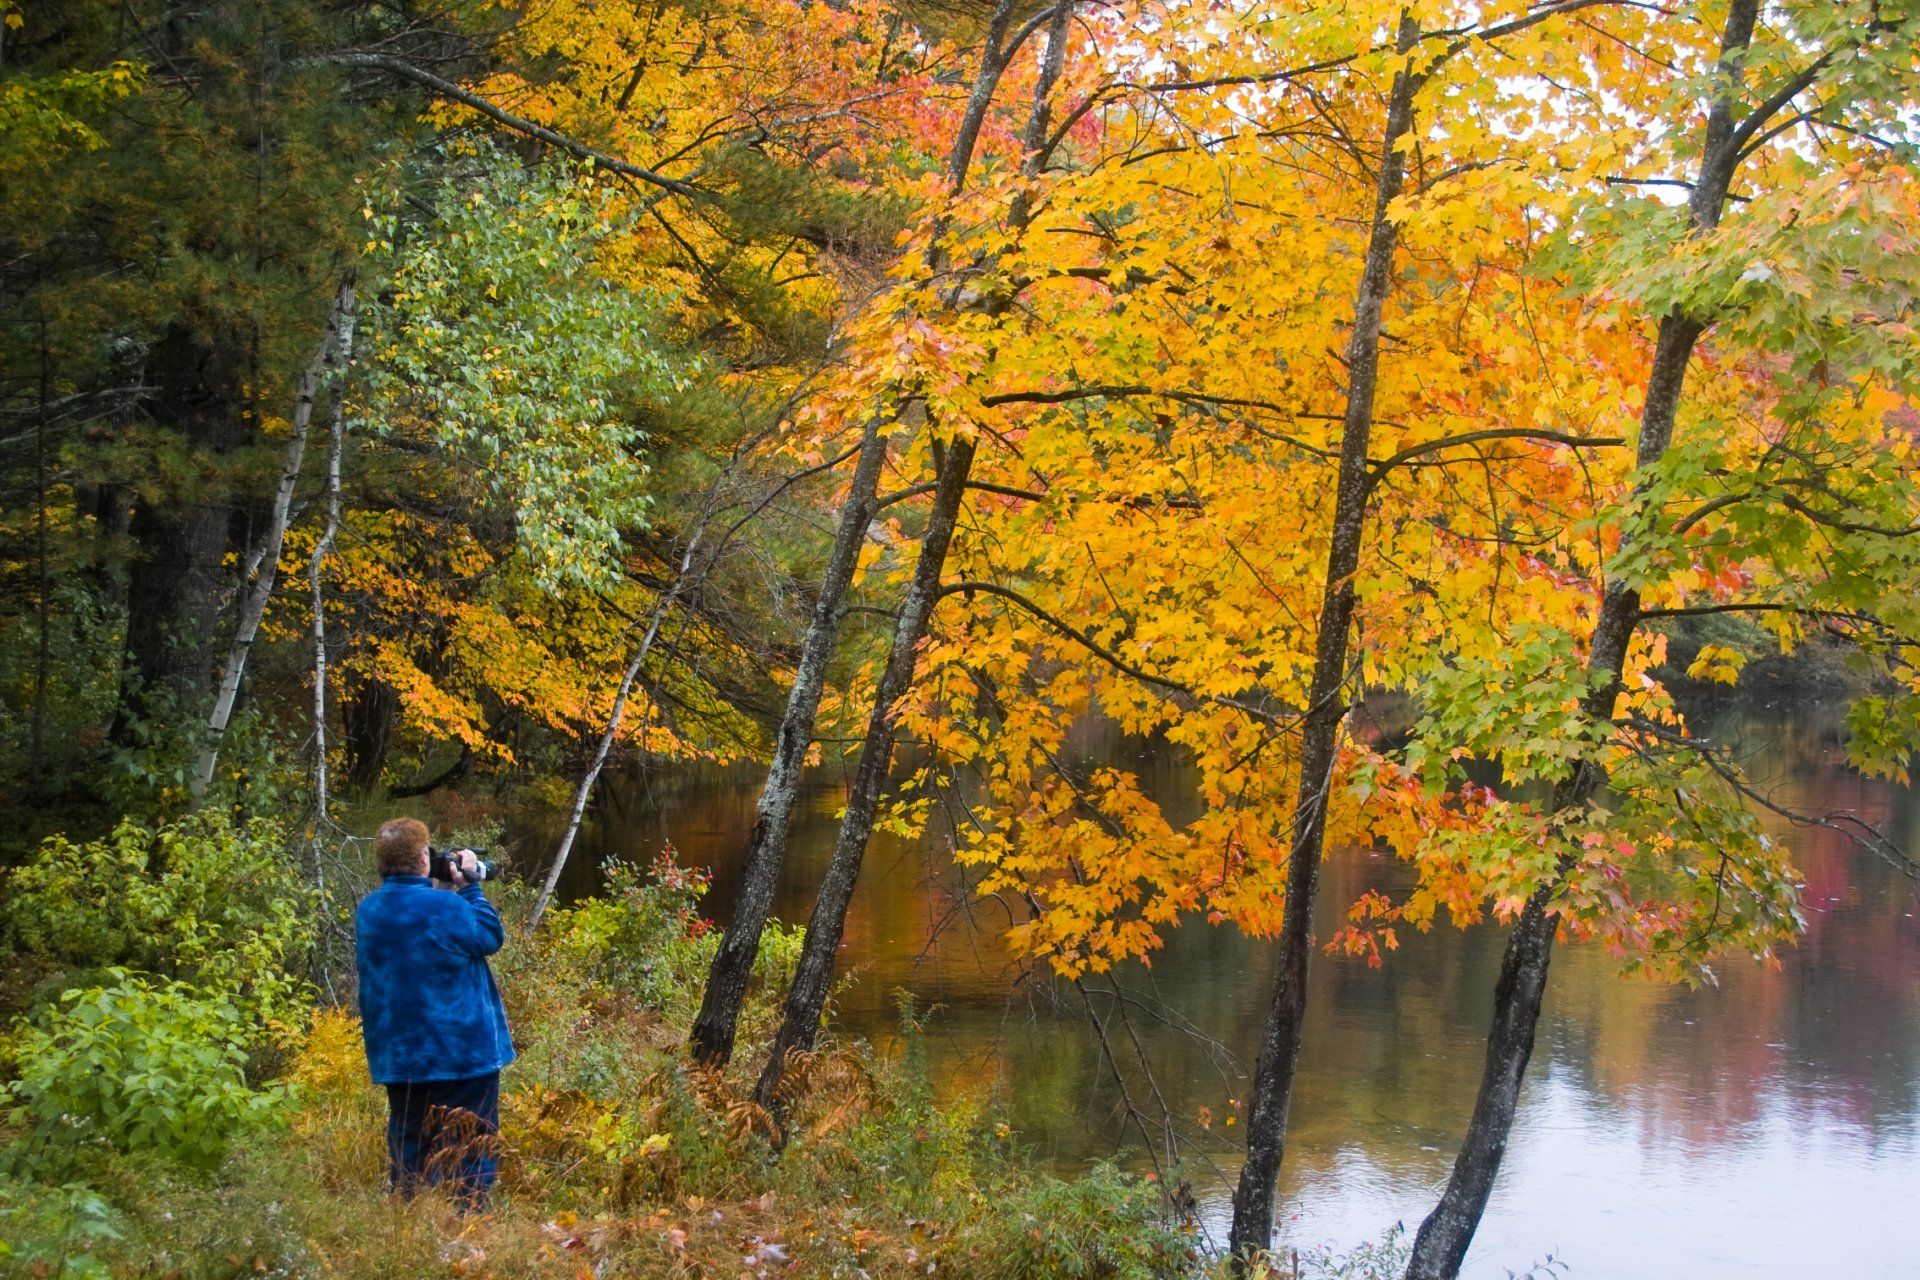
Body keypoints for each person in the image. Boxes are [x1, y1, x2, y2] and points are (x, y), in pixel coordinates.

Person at [355, 817, 515, 1206]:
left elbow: (422, 930)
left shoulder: (368, 910)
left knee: (410, 1138)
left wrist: (442, 890)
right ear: (424, 858)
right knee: (470, 1140)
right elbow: (489, 936)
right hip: (460, 1052)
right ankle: (468, 1217)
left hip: (399, 1053)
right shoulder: (447, 906)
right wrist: (470, 887)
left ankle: (411, 1214)